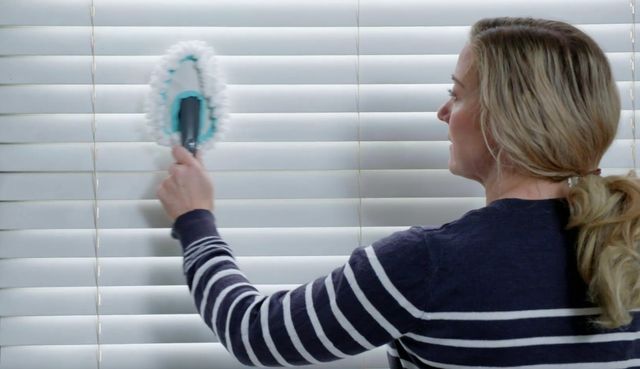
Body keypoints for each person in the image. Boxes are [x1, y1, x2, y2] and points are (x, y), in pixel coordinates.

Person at [157, 17, 640, 368]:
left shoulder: (427, 264)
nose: (443, 112)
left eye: (457, 93)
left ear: (502, 118)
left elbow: (255, 334)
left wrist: (195, 219)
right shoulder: (629, 246)